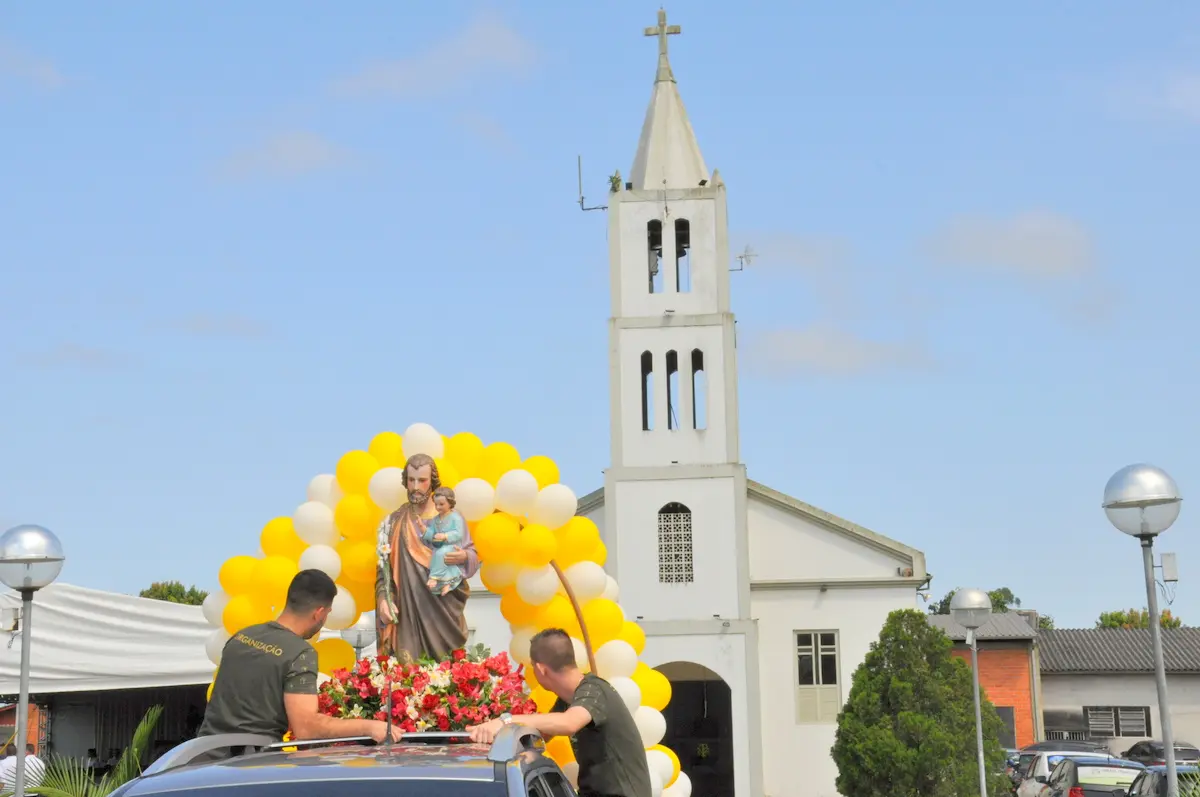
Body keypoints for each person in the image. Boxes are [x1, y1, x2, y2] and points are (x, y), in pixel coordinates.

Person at [199, 569, 400, 744]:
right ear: (319, 612)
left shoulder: (242, 636)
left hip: (205, 755)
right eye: (327, 613)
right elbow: (306, 727)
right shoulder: (300, 653)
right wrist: (370, 727)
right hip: (248, 764)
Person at [467, 629, 652, 797]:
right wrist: (488, 734)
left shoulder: (594, 691)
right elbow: (543, 735)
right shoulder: (569, 699)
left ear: (540, 669)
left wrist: (505, 720)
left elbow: (570, 722)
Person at [376, 453, 481, 660]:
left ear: (432, 482)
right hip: (407, 613)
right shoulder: (395, 521)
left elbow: (472, 555)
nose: (415, 486)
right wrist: (382, 599)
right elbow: (383, 569)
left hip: (443, 608)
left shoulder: (452, 518)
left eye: (422, 480)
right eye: (411, 480)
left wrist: (463, 557)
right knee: (409, 673)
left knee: (446, 673)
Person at [421, 487, 467, 595]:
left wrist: (445, 536)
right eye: (436, 504)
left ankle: (434, 577)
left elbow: (458, 534)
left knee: (441, 553)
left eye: (441, 504)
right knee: (436, 555)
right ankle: (447, 584)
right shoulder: (435, 519)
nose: (438, 507)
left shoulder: (456, 518)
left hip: (453, 546)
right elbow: (432, 534)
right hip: (440, 546)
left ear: (450, 503)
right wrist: (424, 530)